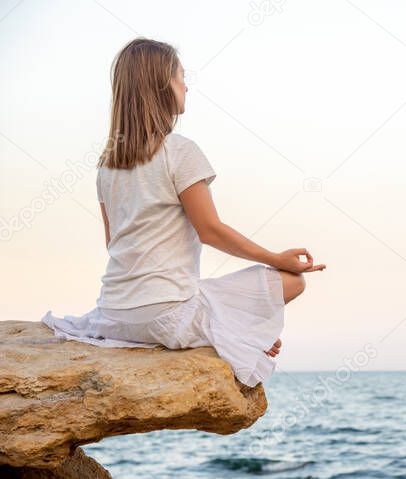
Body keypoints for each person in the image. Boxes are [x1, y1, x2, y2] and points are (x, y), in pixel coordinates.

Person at [41, 38, 325, 387]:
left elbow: (113, 242)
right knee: (292, 281)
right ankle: (230, 333)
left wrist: (240, 323)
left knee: (215, 302)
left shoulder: (107, 166)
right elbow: (211, 231)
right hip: (164, 316)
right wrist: (276, 258)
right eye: (180, 78)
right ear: (160, 87)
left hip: (113, 315)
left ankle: (231, 331)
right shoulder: (180, 151)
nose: (186, 86)